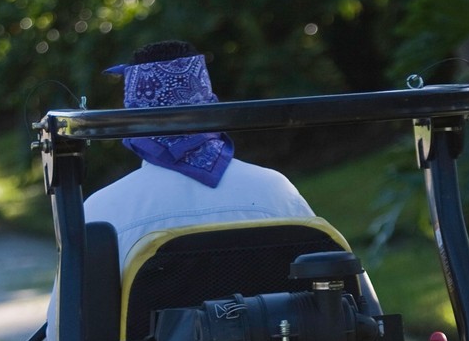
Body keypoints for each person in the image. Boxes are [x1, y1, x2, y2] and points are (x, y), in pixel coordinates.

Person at [84, 40, 316, 267]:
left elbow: (72, 305)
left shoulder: (102, 211)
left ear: (132, 115)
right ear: (209, 102)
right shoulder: (276, 191)